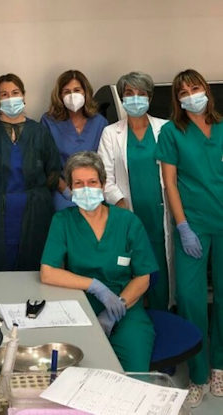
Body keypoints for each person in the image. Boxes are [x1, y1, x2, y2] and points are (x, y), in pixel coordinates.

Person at [40, 151, 158, 372]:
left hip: (125, 307)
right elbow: (48, 272)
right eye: (79, 183)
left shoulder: (128, 222)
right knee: (80, 373)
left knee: (134, 374)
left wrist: (117, 307)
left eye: (92, 182)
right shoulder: (63, 221)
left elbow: (144, 277)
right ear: (70, 188)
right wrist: (95, 286)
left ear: (103, 185)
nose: (86, 188)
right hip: (79, 306)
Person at [155, 69, 223, 407]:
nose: (191, 95)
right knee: (190, 298)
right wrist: (182, 226)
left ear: (206, 90)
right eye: (183, 92)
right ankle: (198, 374)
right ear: (177, 99)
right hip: (193, 223)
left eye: (195, 88)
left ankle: (219, 366)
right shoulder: (172, 132)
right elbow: (170, 182)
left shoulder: (222, 127)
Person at [98, 72, 172, 311]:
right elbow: (104, 178)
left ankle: (161, 314)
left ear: (149, 97)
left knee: (161, 272)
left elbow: (175, 173)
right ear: (122, 98)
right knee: (131, 270)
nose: (135, 98)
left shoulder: (165, 128)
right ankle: (133, 316)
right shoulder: (111, 133)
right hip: (129, 214)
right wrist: (121, 203)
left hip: (160, 215)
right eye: (129, 93)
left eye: (141, 93)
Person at [0, 73, 60, 271]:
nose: (10, 98)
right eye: (4, 94)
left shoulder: (40, 132)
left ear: (23, 96)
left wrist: (36, 194)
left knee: (33, 267)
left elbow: (53, 171)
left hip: (35, 211)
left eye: (15, 92)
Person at [41, 70, 107, 211]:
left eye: (77, 90)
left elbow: (106, 163)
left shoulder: (99, 122)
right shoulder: (49, 122)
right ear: (59, 96)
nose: (72, 96)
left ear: (85, 92)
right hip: (63, 192)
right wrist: (67, 191)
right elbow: (45, 163)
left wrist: (93, 189)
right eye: (67, 92)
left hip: (93, 191)